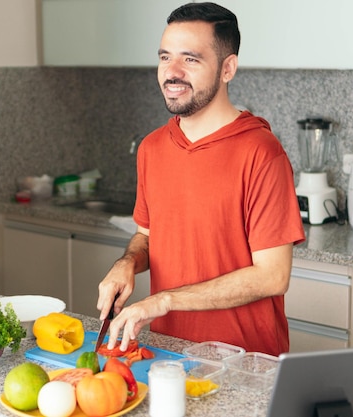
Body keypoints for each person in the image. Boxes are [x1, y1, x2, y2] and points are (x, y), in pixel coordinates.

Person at [96, 2, 305, 357]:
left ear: (228, 68)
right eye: (165, 57)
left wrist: (164, 300)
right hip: (168, 355)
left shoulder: (261, 152)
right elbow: (147, 235)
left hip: (244, 362)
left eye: (190, 59)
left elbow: (273, 275)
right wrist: (127, 264)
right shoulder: (152, 148)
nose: (172, 72)